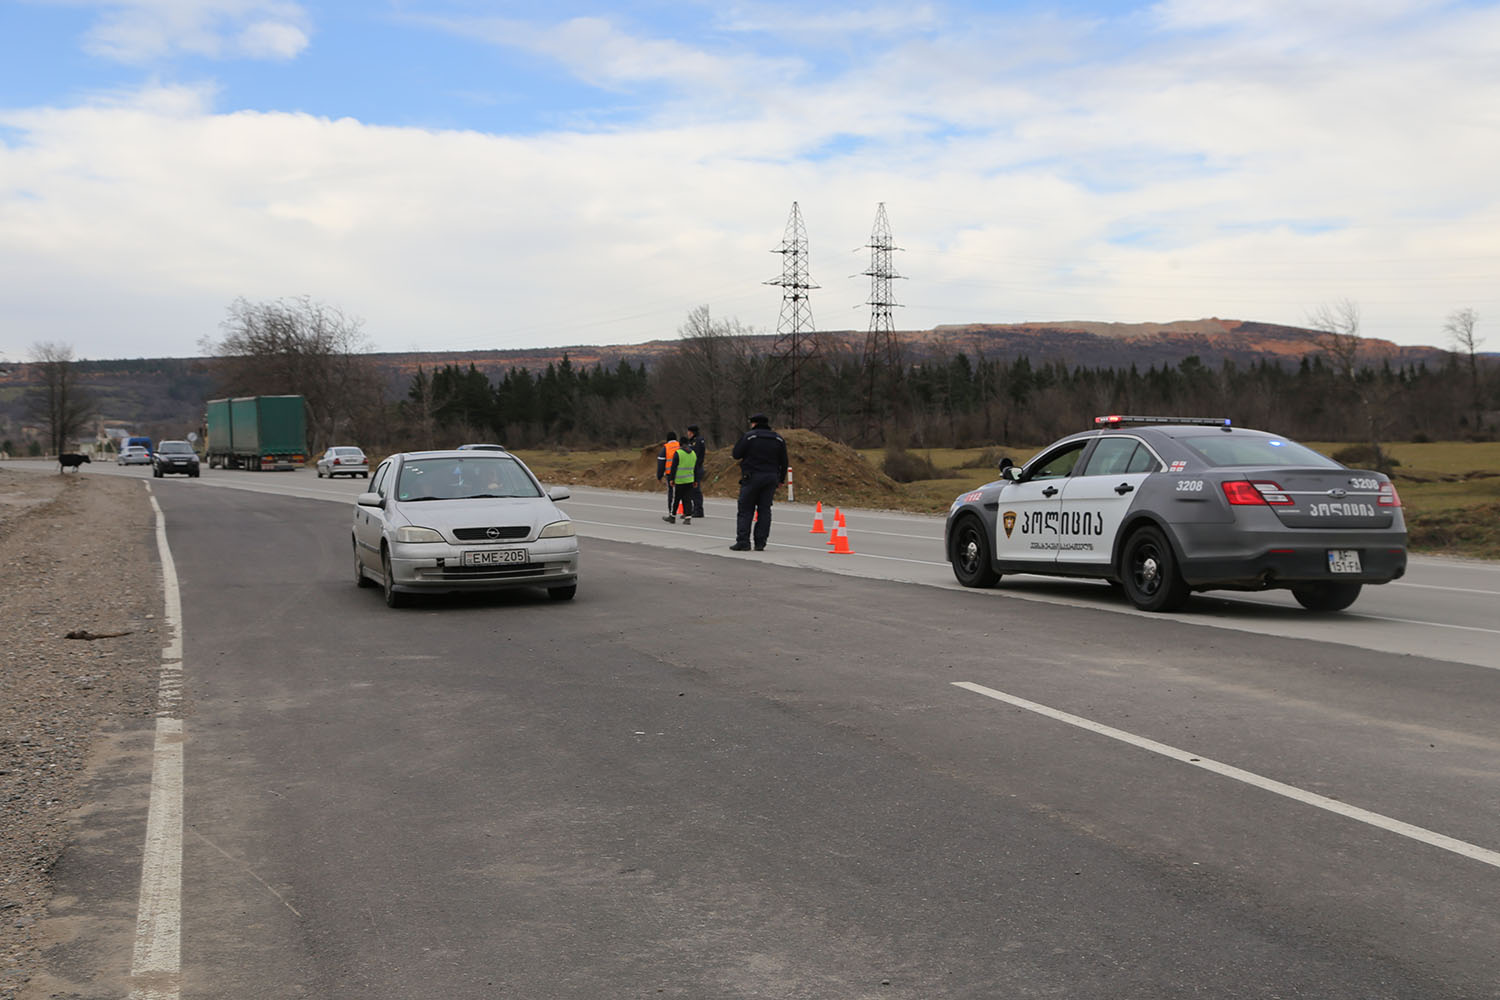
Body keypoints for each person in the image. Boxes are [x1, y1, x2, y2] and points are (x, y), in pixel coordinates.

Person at [729, 413, 788, 551]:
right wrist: (781, 479)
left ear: (754, 424)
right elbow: (784, 461)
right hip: (771, 478)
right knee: (764, 510)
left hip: (752, 477)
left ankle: (743, 542)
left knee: (745, 509)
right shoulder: (778, 439)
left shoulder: (749, 436)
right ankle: (760, 542)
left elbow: (736, 454)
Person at [664, 438, 699, 524]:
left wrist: (671, 479)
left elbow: (673, 468)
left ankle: (672, 516)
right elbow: (696, 468)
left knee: (676, 499)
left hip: (679, 481)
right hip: (690, 480)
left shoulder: (678, 453)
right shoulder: (693, 454)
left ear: (680, 444)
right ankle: (688, 518)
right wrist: (696, 480)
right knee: (688, 499)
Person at [682, 424, 707, 518]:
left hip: (696, 468)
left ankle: (699, 510)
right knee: (691, 490)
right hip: (691, 468)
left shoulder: (698, 441)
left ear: (692, 432)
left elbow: (695, 455)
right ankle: (694, 509)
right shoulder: (692, 441)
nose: (687, 434)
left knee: (696, 490)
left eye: (689, 432)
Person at [657, 433, 681, 522]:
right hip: (683, 473)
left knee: (671, 493)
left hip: (670, 474)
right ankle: (687, 513)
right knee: (684, 493)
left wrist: (659, 476)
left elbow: (661, 463)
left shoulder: (665, 448)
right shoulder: (681, 445)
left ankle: (671, 513)